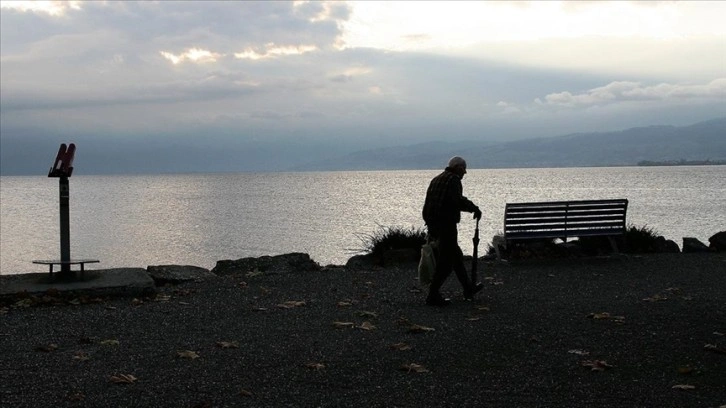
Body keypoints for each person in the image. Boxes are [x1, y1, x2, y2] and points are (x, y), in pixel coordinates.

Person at [422, 156, 484, 306]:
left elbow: (428, 203)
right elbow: (457, 201)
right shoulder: (453, 180)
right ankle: (432, 294)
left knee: (456, 257)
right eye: (464, 169)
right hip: (446, 225)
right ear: (458, 167)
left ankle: (468, 288)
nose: (465, 173)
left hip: (434, 225)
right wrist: (474, 208)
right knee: (447, 262)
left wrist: (430, 225)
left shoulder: (437, 179)